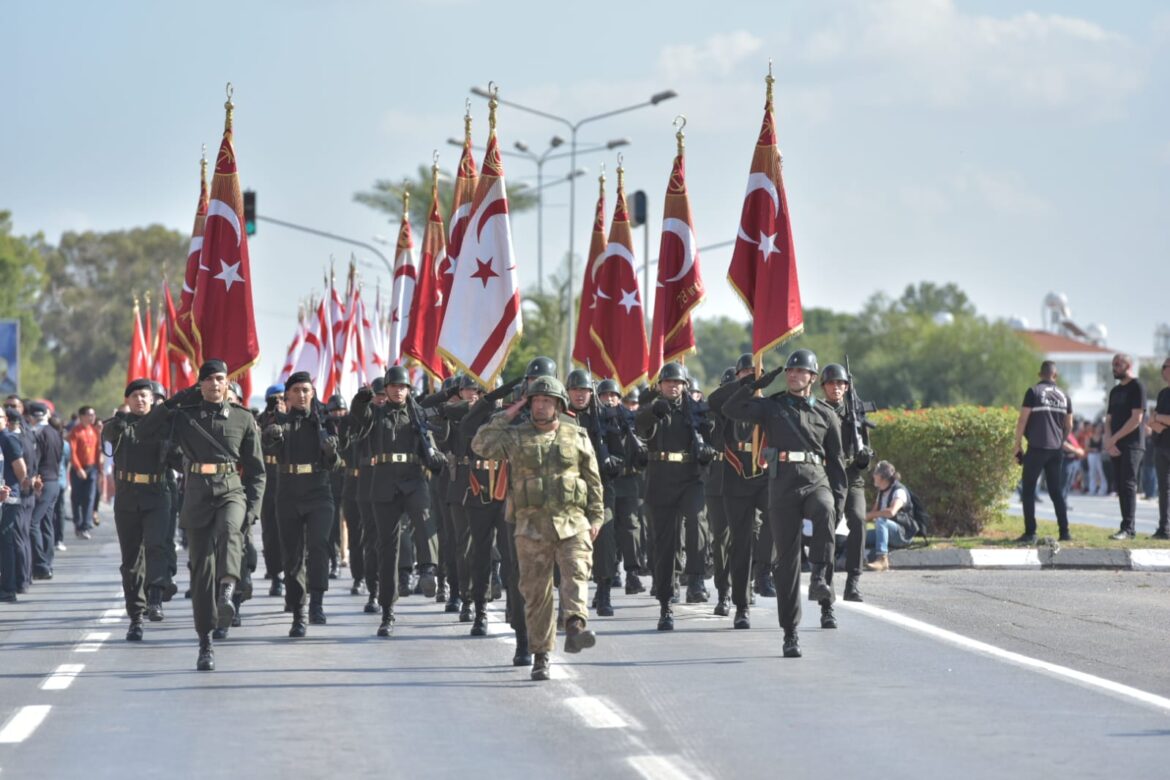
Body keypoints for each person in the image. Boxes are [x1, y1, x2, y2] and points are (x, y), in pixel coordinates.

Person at [135, 360, 265, 672]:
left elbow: (257, 471)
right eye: (208, 380)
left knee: (232, 528)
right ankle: (205, 642)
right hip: (195, 493)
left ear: (227, 384)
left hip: (231, 489)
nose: (215, 384)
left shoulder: (243, 419)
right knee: (200, 571)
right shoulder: (184, 417)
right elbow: (144, 431)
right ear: (200, 384)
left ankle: (228, 589)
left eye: (220, 379)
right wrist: (176, 400)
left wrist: (254, 510)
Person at [472, 375, 604, 681]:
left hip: (572, 523)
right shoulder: (515, 436)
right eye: (536, 401)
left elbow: (593, 480)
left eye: (547, 401)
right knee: (536, 594)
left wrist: (596, 518)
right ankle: (541, 655)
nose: (541, 406)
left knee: (577, 571)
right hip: (531, 528)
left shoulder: (578, 436)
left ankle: (575, 624)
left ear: (559, 405)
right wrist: (510, 411)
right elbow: (480, 444)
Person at [722, 349, 848, 659]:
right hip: (782, 486)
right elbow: (729, 408)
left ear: (812, 378)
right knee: (787, 563)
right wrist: (753, 384)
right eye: (790, 371)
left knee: (825, 509)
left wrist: (839, 504)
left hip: (815, 478)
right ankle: (790, 633)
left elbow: (836, 465)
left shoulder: (826, 414)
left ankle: (819, 576)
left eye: (800, 371)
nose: (793, 375)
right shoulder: (771, 407)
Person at [348, 366, 443, 637]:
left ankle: (427, 569)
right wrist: (362, 397)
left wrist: (435, 457)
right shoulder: (375, 414)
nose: (398, 390)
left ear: (408, 390)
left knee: (425, 519)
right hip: (384, 483)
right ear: (385, 390)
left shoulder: (417, 413)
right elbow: (358, 418)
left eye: (403, 387)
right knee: (387, 549)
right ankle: (388, 610)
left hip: (414, 479)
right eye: (393, 386)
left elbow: (429, 441)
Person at [635, 362, 716, 630]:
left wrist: (709, 451)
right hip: (660, 479)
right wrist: (653, 411)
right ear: (660, 385)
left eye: (678, 382)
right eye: (668, 382)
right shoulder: (654, 408)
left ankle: (696, 577)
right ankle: (666, 603)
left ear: (685, 385)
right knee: (665, 544)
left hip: (690, 477)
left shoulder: (695, 410)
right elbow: (639, 425)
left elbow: (711, 434)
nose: (673, 386)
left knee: (696, 521)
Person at [262, 371, 338, 636]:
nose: (302, 395)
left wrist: (331, 451)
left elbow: (336, 462)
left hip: (319, 491)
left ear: (312, 393)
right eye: (297, 391)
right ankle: (298, 612)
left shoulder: (324, 421)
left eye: (306, 390)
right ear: (288, 396)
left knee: (318, 546)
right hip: (289, 492)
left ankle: (317, 602)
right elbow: (268, 450)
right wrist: (271, 435)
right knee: (292, 555)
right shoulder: (278, 422)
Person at [102, 379, 177, 639]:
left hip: (157, 495)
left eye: (144, 396)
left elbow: (182, 459)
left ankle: (155, 596)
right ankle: (135, 617)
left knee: (156, 546)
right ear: (127, 400)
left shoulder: (166, 426)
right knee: (131, 561)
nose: (140, 400)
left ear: (152, 399)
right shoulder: (118, 425)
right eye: (134, 396)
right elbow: (107, 436)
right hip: (127, 498)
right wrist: (117, 424)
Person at [707, 355, 772, 629]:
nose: (750, 374)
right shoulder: (728, 404)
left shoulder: (768, 404)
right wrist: (744, 386)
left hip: (764, 474)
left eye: (755, 371)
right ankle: (739, 602)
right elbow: (713, 401)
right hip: (735, 477)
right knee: (736, 542)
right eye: (745, 371)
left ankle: (764, 573)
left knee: (776, 525)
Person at [818, 362, 871, 607]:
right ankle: (826, 585)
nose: (836, 387)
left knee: (859, 520)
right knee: (828, 528)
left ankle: (853, 581)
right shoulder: (817, 411)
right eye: (831, 383)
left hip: (853, 476)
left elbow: (866, 448)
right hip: (828, 476)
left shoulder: (856, 412)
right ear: (823, 387)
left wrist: (865, 458)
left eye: (840, 383)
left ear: (846, 387)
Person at [1013, 361, 1073, 543]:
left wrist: (1017, 444)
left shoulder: (1033, 392)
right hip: (1055, 450)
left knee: (1029, 490)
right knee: (1056, 492)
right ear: (1055, 376)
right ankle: (1065, 532)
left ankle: (1030, 533)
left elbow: (1023, 420)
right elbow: (1069, 425)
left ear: (1040, 374)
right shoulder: (1065, 396)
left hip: (1037, 447)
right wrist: (1060, 441)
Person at [1103, 353, 1146, 540]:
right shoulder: (1115, 391)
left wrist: (1115, 438)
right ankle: (1126, 526)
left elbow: (1136, 419)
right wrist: (1108, 440)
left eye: (1118, 364)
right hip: (1116, 445)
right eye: (1113, 364)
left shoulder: (1137, 387)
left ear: (1128, 365)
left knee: (1128, 484)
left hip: (1133, 444)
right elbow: (1109, 419)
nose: (1114, 368)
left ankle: (1128, 528)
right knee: (1120, 485)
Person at [256, 384, 286, 597]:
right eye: (273, 399)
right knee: (271, 532)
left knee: (291, 532)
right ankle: (275, 575)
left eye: (282, 398)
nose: (277, 402)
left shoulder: (293, 418)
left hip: (288, 478)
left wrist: (284, 416)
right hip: (267, 480)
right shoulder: (259, 421)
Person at [29, 402, 63, 581]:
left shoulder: (38, 434)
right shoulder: (55, 432)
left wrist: (34, 479)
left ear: (32, 417)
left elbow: (35, 461)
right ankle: (47, 563)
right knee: (47, 523)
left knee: (33, 523)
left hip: (43, 482)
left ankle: (41, 564)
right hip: (54, 481)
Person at [863, 461, 913, 571]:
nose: (873, 476)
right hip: (885, 530)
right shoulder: (881, 492)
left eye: (875, 473)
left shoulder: (899, 491)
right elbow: (872, 513)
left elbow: (891, 512)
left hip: (901, 534)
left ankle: (882, 559)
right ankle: (857, 559)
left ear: (882, 477)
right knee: (860, 535)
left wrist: (871, 515)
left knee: (881, 520)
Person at [0, 415, 25, 602]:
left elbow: (20, 468)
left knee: (6, 542)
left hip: (9, 497)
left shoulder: (7, 438)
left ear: (5, 420)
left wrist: (13, 487)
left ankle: (9, 587)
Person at [68, 405, 101, 540]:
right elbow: (72, 452)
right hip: (78, 470)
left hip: (92, 468)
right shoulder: (75, 432)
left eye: (93, 414)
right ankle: (78, 523)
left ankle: (86, 526)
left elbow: (98, 451)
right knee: (77, 498)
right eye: (89, 414)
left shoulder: (94, 431)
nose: (92, 417)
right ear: (81, 416)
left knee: (90, 497)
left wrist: (99, 468)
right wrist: (78, 468)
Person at [1147, 357, 1170, 539]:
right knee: (1163, 489)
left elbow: (1158, 417)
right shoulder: (1163, 393)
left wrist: (1159, 418)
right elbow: (1152, 419)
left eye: (1165, 366)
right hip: (1161, 446)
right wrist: (1158, 419)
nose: (1163, 370)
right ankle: (1164, 527)